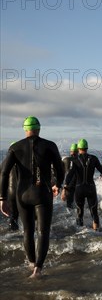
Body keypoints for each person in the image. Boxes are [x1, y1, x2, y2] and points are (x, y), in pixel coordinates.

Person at [0, 116, 64, 278]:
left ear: (25, 129)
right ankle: (38, 269)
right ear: (39, 128)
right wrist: (58, 184)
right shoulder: (50, 145)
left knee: (27, 231)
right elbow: (59, 169)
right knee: (43, 232)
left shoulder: (15, 147)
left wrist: (2, 198)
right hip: (42, 193)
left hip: (22, 195)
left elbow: (4, 173)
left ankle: (30, 262)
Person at [62, 139, 102, 230]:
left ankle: (82, 233)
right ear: (87, 148)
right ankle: (97, 233)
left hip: (79, 189)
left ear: (79, 148)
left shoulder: (75, 160)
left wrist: (65, 188)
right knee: (94, 212)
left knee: (80, 212)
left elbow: (69, 175)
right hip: (91, 188)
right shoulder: (94, 158)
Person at [1, 142, 19, 230]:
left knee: (13, 216)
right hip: (25, 191)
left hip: (11, 192)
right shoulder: (25, 161)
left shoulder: (4, 162)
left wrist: (2, 197)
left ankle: (13, 236)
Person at [61, 143, 78, 209]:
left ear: (71, 151)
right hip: (76, 185)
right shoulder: (79, 160)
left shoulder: (65, 159)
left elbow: (60, 172)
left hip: (66, 185)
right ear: (77, 152)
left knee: (68, 206)